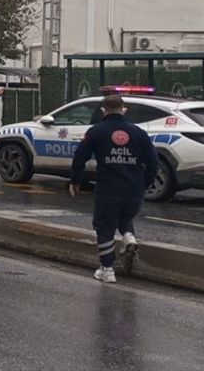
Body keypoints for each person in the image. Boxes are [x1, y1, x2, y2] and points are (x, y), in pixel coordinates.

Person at [70, 94, 158, 284]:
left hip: (108, 189)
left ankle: (107, 268)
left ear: (103, 110)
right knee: (125, 217)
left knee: (105, 226)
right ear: (123, 109)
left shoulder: (96, 131)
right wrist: (143, 185)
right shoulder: (138, 133)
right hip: (133, 189)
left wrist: (75, 181)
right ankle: (128, 236)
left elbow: (80, 157)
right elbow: (153, 163)